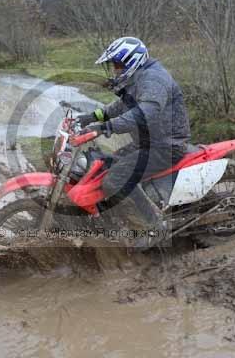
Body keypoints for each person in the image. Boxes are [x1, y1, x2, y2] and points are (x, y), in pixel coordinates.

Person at [77, 37, 191, 247]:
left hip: (166, 146)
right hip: (149, 142)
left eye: (118, 65)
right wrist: (92, 117)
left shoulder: (154, 80)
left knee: (115, 180)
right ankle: (117, 217)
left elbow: (144, 113)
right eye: (114, 65)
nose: (115, 70)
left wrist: (106, 127)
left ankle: (154, 227)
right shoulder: (140, 76)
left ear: (131, 61)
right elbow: (122, 106)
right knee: (105, 165)